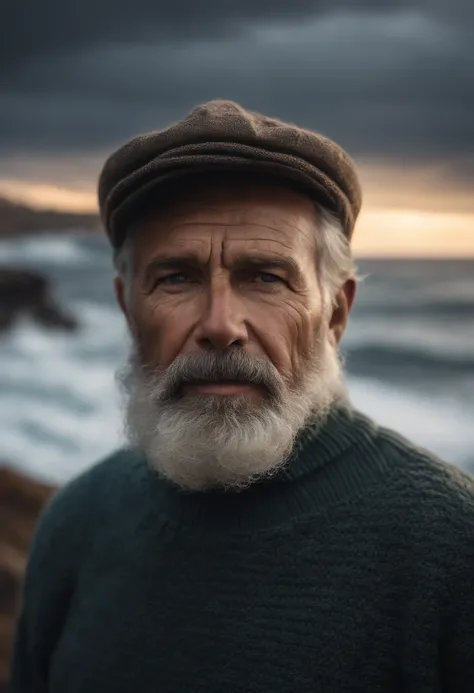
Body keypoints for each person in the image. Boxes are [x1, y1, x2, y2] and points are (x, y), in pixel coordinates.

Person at [9, 100, 474, 693]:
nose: (221, 324)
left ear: (336, 311)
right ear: (129, 308)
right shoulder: (75, 524)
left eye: (265, 276)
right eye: (176, 277)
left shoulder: (452, 547)